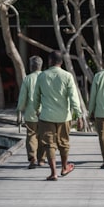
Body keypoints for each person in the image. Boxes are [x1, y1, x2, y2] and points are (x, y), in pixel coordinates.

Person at [34, 51, 82, 181]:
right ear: (61, 62)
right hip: (64, 117)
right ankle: (64, 167)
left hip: (46, 116)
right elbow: (73, 97)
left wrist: (36, 110)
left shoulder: (42, 76)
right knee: (64, 144)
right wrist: (78, 115)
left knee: (49, 145)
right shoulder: (67, 76)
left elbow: (36, 97)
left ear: (49, 61)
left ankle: (53, 172)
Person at [16, 55, 45, 169]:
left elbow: (22, 98)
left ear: (31, 66)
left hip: (30, 113)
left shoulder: (27, 79)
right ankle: (42, 159)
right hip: (45, 113)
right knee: (43, 136)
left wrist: (19, 111)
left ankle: (33, 158)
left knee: (31, 136)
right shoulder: (46, 77)